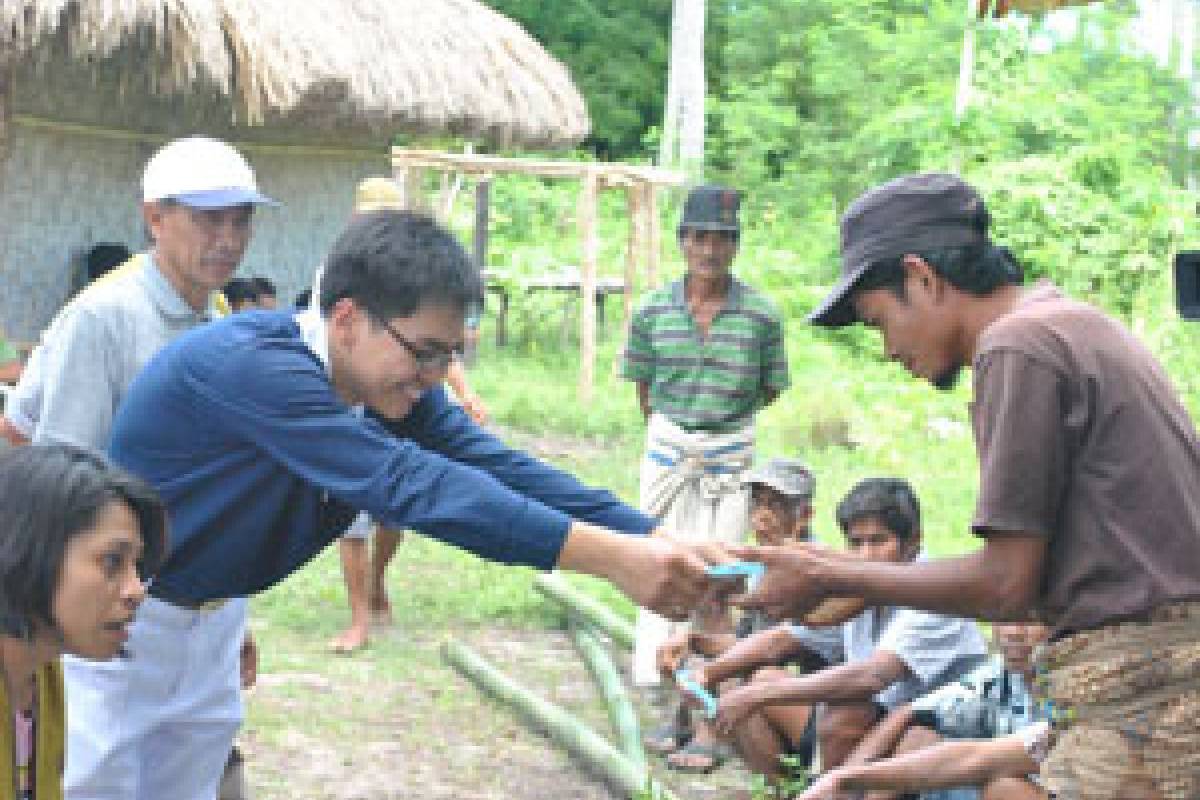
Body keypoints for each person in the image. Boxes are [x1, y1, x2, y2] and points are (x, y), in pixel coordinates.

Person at [101, 209, 724, 798]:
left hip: (208, 618)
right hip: (113, 623)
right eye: (423, 351)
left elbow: (491, 463)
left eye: (449, 355)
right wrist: (608, 559)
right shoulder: (255, 367)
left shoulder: (377, 383)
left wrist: (647, 535)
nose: (434, 374)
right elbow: (413, 485)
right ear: (346, 319)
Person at [740, 172, 1200, 800]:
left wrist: (833, 575)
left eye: (878, 323)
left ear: (923, 279)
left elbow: (1006, 584)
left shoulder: (1017, 348)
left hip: (1140, 701)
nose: (888, 349)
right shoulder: (1072, 324)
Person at [1, 135, 276, 800]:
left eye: (241, 220)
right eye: (208, 220)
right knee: (99, 773)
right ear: (154, 217)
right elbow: (61, 489)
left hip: (195, 603)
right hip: (114, 601)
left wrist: (230, 613)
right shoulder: (106, 317)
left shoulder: (215, 319)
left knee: (189, 773)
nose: (229, 239)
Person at [688, 478, 987, 785]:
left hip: (929, 736)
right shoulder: (853, 586)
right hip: (872, 726)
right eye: (856, 543)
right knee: (754, 682)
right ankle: (788, 790)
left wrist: (758, 695)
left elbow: (870, 678)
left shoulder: (933, 596)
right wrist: (709, 674)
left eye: (878, 541)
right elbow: (781, 640)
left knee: (843, 714)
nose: (866, 556)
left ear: (913, 541)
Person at [622, 184, 791, 692]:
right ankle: (655, 669)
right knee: (657, 556)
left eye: (721, 239)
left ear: (735, 245)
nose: (709, 250)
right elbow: (644, 389)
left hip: (730, 456)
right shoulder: (652, 312)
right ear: (682, 242)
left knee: (724, 567)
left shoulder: (761, 316)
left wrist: (718, 430)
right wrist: (684, 435)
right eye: (698, 238)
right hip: (670, 453)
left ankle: (712, 670)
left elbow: (769, 388)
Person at [327, 176, 489, 654]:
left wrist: (465, 393)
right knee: (350, 517)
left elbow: (437, 348)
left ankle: (378, 580)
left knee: (394, 511)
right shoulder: (334, 276)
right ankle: (359, 616)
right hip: (354, 412)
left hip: (396, 404)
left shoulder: (421, 281)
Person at [0, 444, 166, 800]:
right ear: (30, 553)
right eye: (112, 561)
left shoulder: (41, 674)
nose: (136, 590)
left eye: (137, 566)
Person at [648, 457, 816, 773]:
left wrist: (710, 666)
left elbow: (772, 650)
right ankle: (692, 721)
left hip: (811, 700)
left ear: (804, 516)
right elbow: (745, 641)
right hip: (776, 677)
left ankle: (762, 774)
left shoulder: (807, 572)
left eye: (777, 506)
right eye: (758, 504)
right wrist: (693, 642)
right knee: (698, 638)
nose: (762, 517)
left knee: (741, 677)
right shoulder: (765, 565)